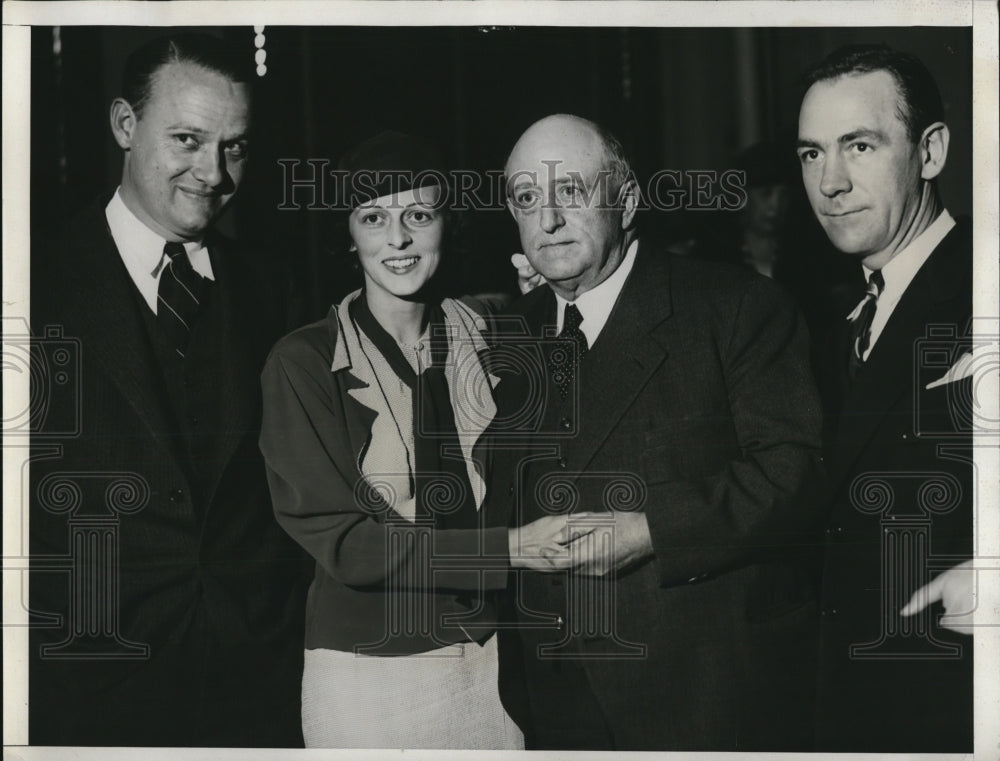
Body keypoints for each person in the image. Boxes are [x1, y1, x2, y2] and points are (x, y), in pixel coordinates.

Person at [491, 113, 824, 751]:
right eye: (527, 199)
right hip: (552, 696)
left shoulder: (736, 307)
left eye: (572, 193)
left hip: (701, 695)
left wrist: (650, 529)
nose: (548, 220)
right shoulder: (512, 331)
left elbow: (795, 470)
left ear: (629, 199)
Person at [258, 130, 580, 749]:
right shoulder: (303, 361)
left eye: (418, 214)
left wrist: (555, 303)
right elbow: (350, 546)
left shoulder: (492, 328)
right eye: (373, 217)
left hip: (496, 662)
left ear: (445, 225)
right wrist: (509, 549)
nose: (398, 239)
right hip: (370, 675)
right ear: (348, 236)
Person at [29, 34, 308, 746]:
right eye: (187, 139)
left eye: (235, 146)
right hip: (86, 691)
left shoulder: (272, 286)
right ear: (125, 125)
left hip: (257, 688)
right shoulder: (30, 281)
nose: (213, 172)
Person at [797, 44, 973, 752]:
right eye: (811, 154)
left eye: (859, 146)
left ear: (930, 152)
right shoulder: (838, 320)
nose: (830, 182)